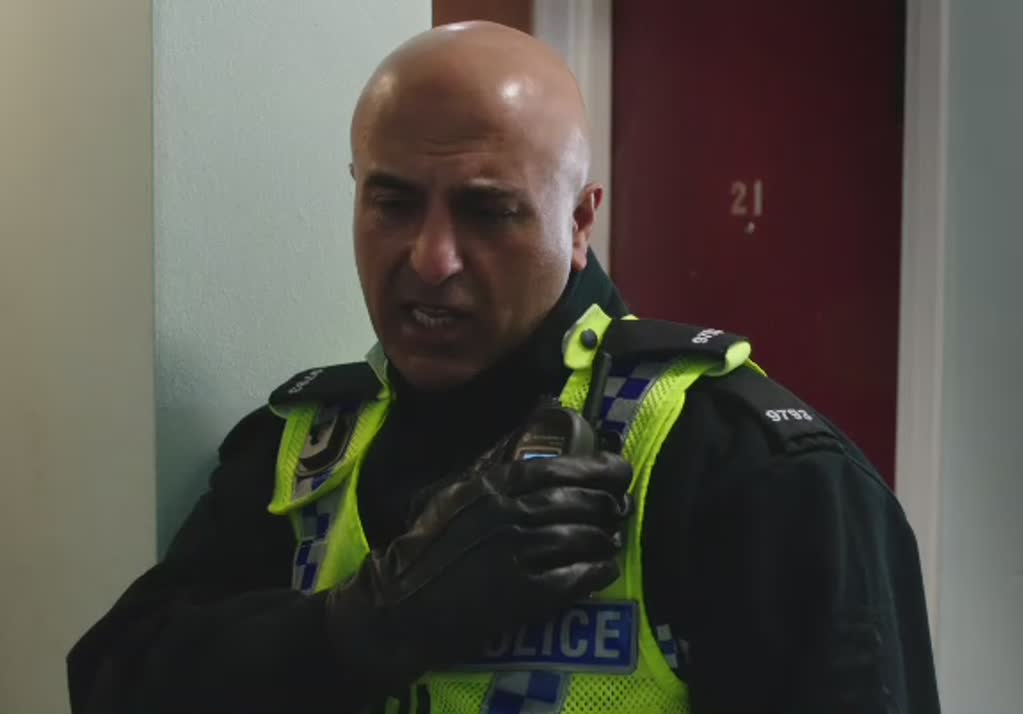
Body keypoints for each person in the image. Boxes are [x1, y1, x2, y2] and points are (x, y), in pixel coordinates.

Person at [67, 21, 940, 714]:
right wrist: (369, 623)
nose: (431, 259)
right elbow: (113, 683)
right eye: (392, 202)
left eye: (488, 213)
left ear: (580, 220)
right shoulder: (300, 452)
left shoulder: (748, 470)